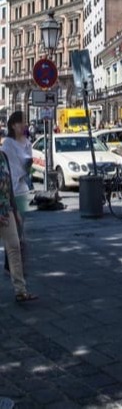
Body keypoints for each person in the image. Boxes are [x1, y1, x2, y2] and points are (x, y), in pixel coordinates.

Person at [0, 151, 36, 303]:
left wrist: (15, 211)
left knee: (14, 247)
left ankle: (20, 290)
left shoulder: (3, 156)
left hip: (6, 210)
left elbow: (10, 189)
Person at [2, 111, 33, 278]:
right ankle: (13, 266)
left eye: (25, 122)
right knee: (14, 231)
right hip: (10, 192)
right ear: (13, 125)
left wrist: (28, 166)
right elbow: (9, 167)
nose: (24, 125)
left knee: (20, 231)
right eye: (21, 122)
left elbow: (28, 165)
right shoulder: (7, 143)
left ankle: (15, 265)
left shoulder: (27, 142)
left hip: (22, 191)